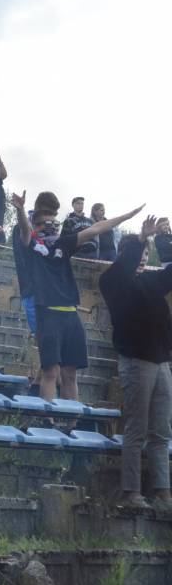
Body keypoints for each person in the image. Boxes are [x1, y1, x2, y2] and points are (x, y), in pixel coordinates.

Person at [13, 190, 142, 401]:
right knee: (51, 372)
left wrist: (127, 216)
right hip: (47, 311)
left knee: (70, 374)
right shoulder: (31, 245)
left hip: (70, 313)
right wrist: (20, 210)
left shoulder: (63, 244)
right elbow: (25, 233)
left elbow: (95, 229)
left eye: (52, 223)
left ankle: (70, 418)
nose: (49, 227)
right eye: (43, 224)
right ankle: (47, 417)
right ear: (34, 223)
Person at [99, 216, 172, 508]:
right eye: (139, 254)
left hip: (162, 363)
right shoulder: (112, 282)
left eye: (145, 254)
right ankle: (131, 492)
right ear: (124, 256)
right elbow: (122, 270)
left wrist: (164, 240)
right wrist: (140, 240)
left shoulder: (151, 282)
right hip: (136, 362)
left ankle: (163, 491)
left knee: (162, 432)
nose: (142, 258)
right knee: (136, 429)